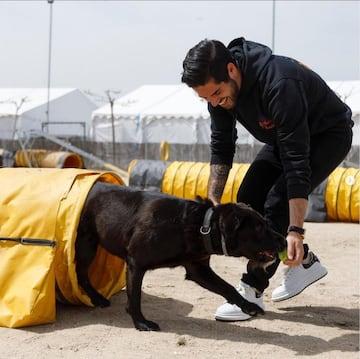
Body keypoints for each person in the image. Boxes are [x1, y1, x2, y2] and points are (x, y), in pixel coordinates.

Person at [181, 37, 353, 321]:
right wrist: (213, 203)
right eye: (206, 98)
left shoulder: (278, 82)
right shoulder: (218, 93)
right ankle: (303, 263)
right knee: (248, 196)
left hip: (327, 135)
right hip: (283, 138)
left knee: (276, 201)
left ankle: (251, 292)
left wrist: (296, 229)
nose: (214, 103)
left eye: (216, 94)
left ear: (232, 70)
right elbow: (222, 145)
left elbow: (297, 163)